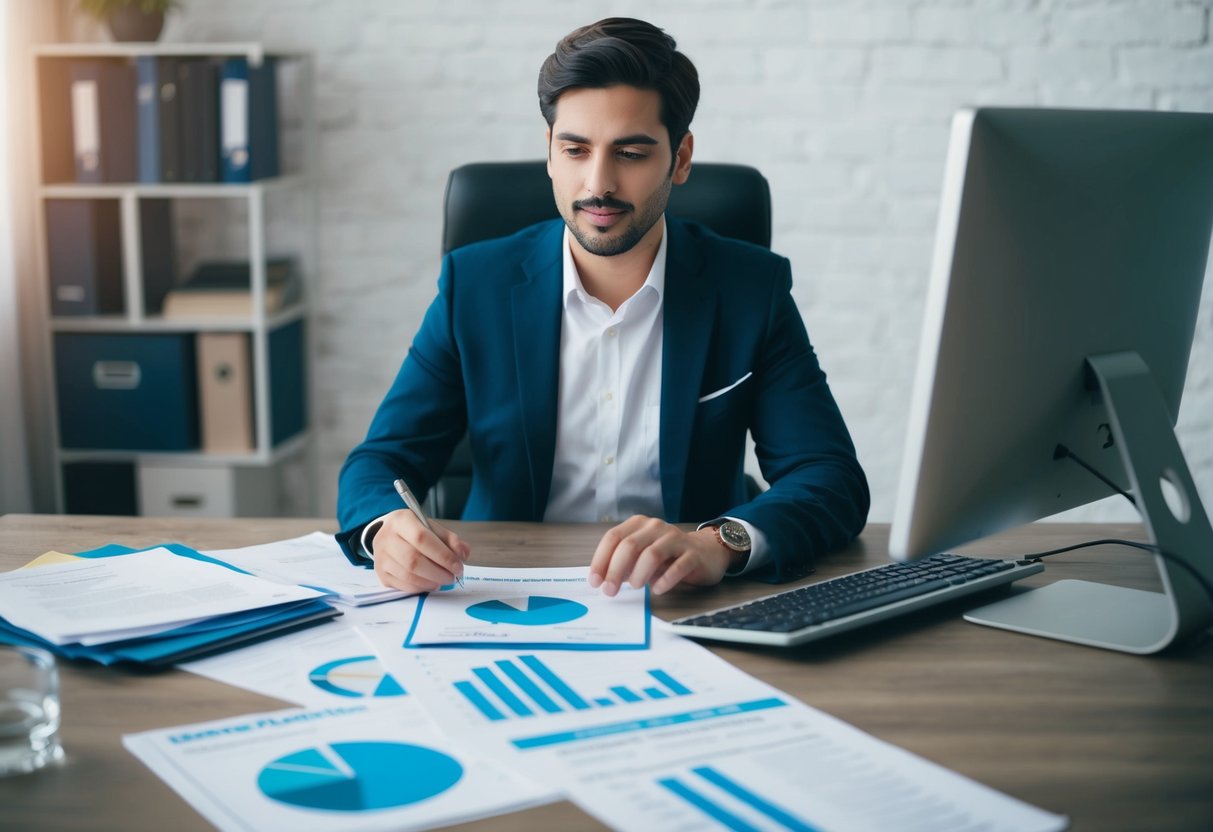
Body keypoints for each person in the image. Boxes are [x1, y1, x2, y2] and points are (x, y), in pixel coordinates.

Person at [336, 17, 869, 597]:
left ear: (680, 157)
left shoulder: (749, 289)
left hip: (685, 600)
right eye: (575, 150)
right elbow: (381, 461)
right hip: (503, 591)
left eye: (631, 153)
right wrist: (386, 531)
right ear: (549, 154)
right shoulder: (476, 285)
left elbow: (831, 477)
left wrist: (718, 543)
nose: (599, 183)